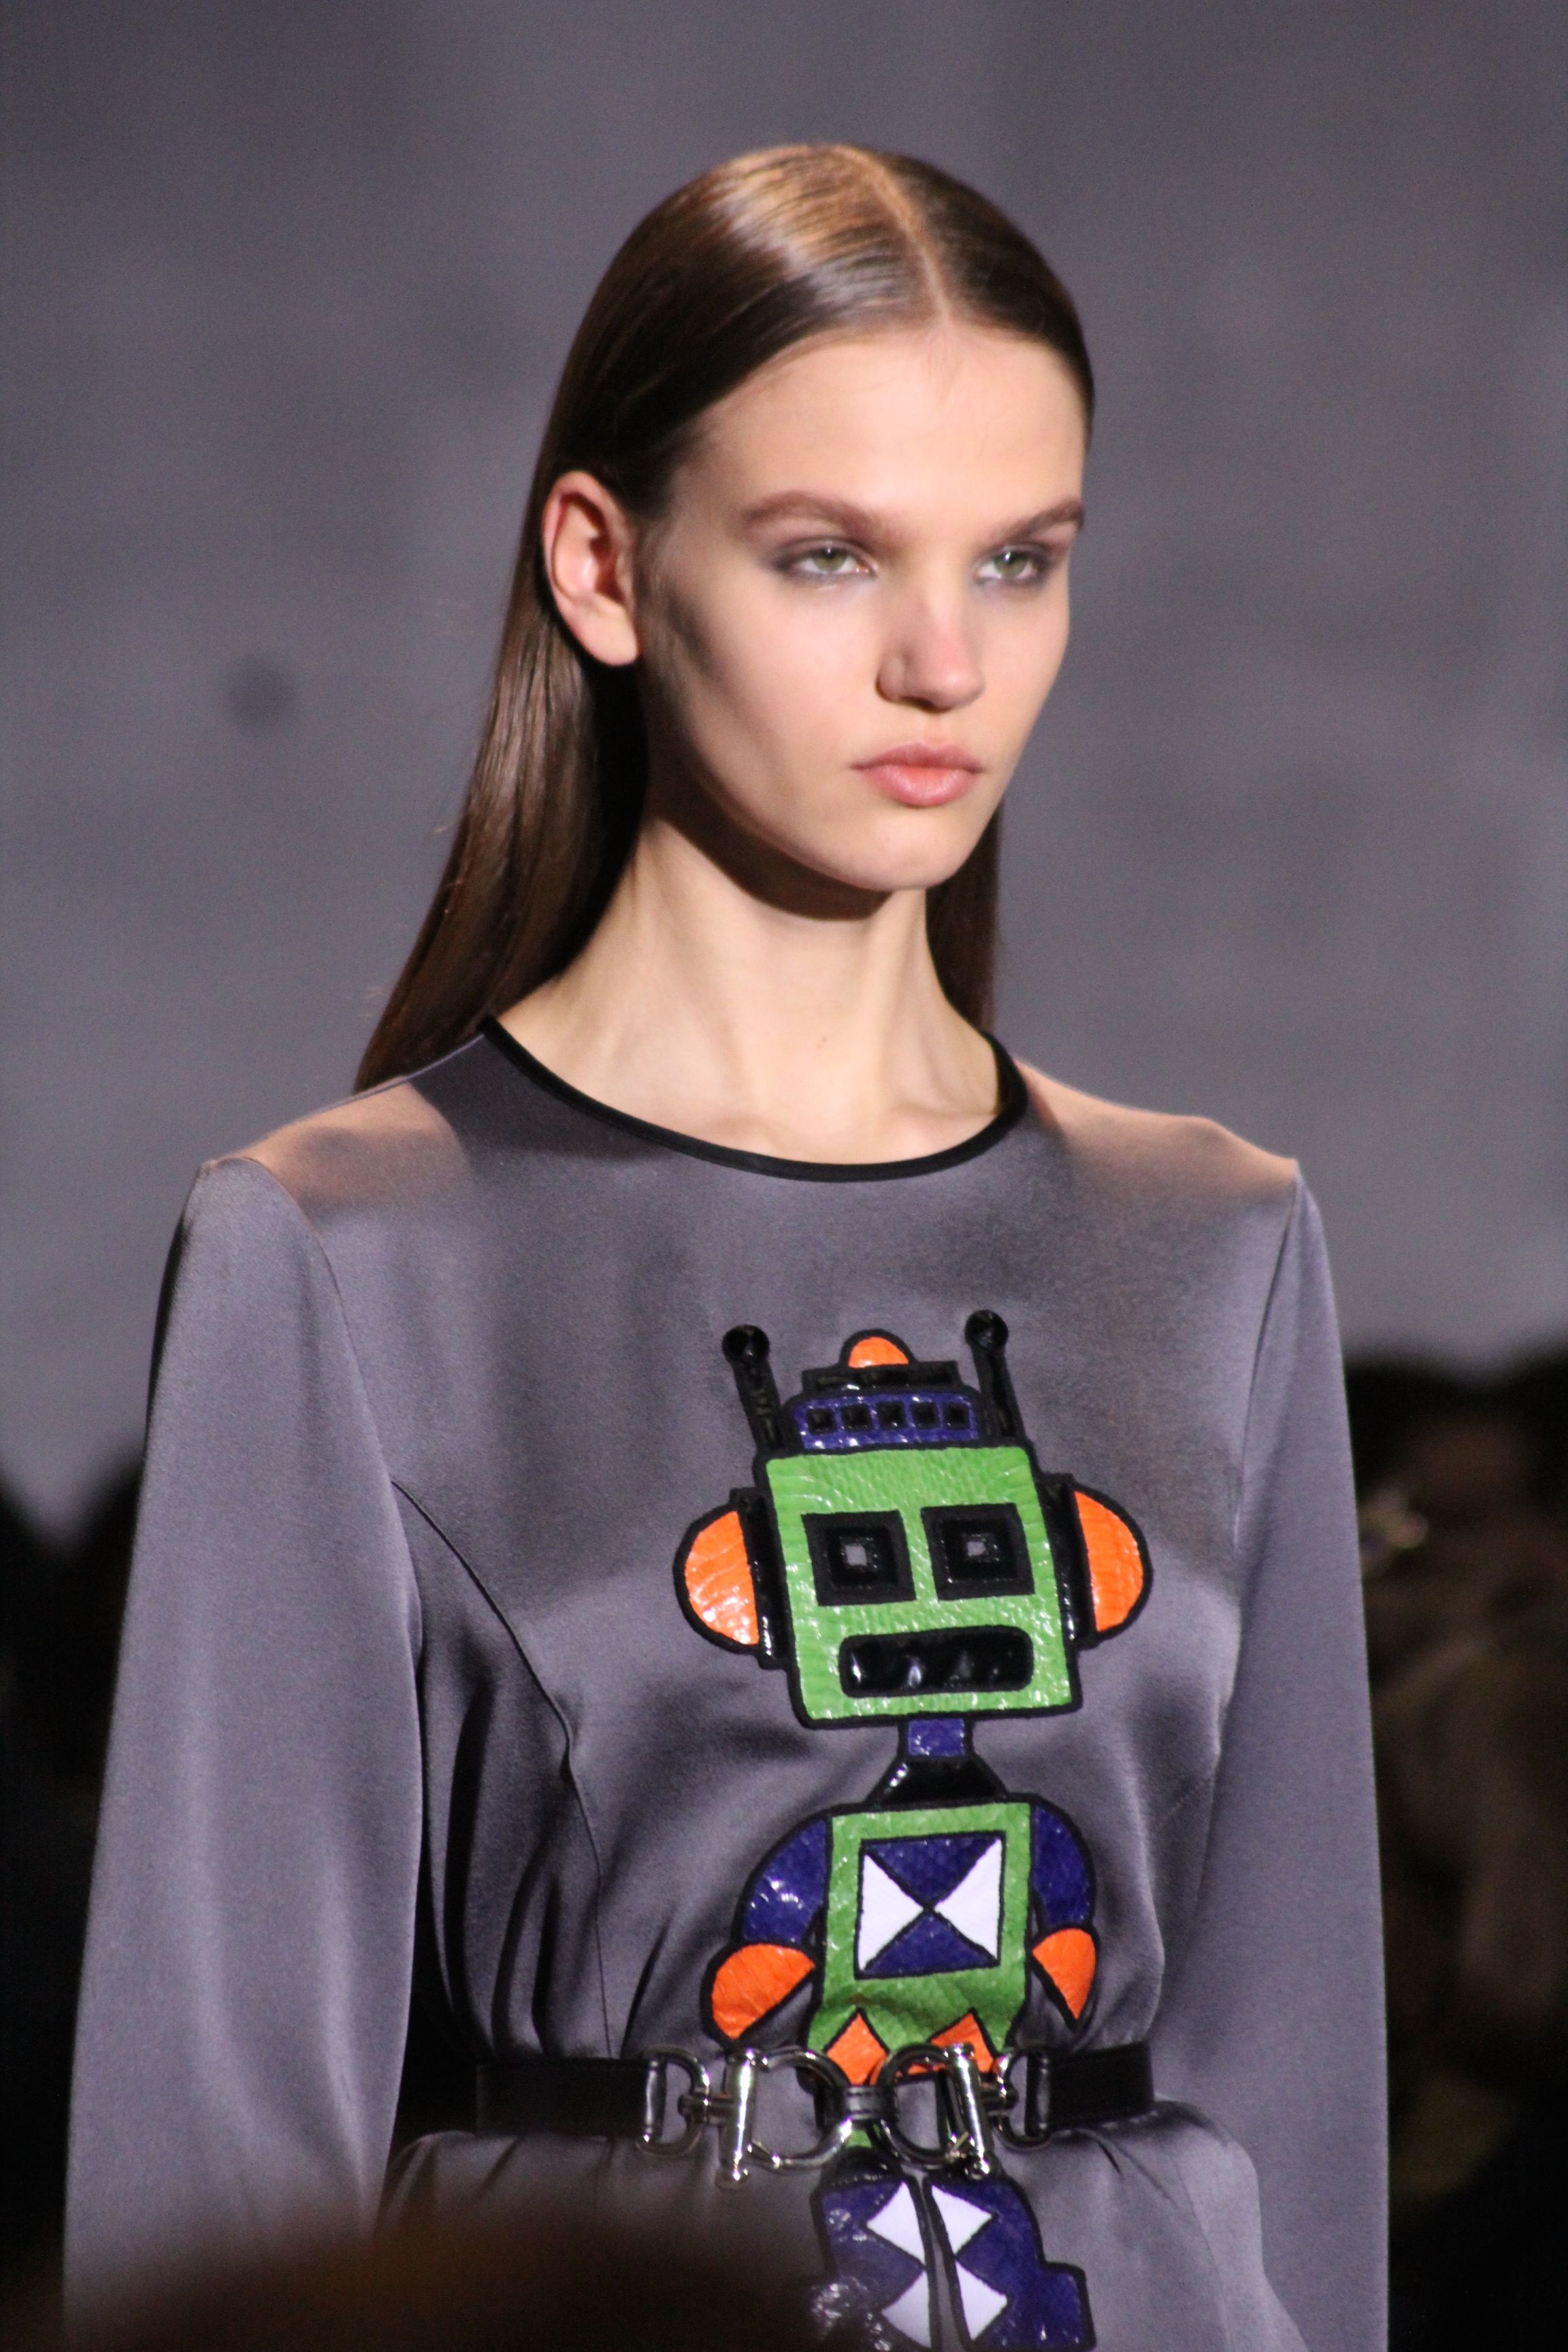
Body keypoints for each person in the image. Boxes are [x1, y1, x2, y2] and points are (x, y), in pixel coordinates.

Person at [67, 146, 1384, 2351]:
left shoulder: (1216, 1244)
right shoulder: (351, 1256)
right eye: (827, 554)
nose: (945, 661)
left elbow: (1297, 2097)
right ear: (604, 566)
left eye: (1022, 559)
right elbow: (210, 2165)